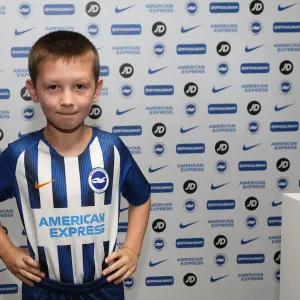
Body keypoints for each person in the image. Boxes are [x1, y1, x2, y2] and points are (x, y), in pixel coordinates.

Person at [0, 30, 151, 299]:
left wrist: (131, 250)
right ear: (33, 90)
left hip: (104, 288)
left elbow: (141, 198)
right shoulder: (18, 155)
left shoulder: (111, 150)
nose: (67, 100)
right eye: (53, 87)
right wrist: (7, 250)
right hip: (43, 290)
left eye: (79, 86)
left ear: (97, 90)